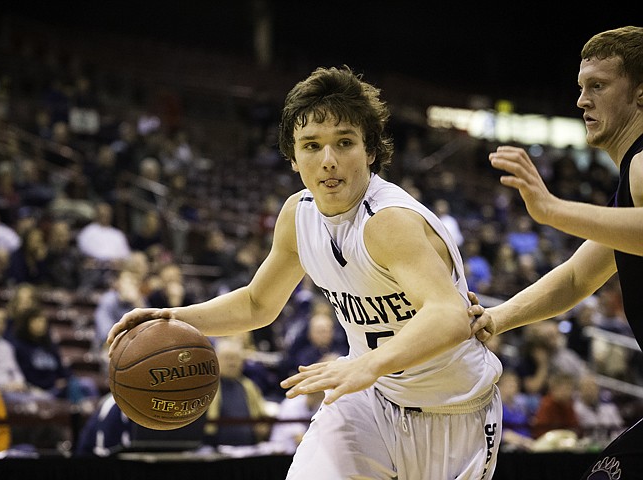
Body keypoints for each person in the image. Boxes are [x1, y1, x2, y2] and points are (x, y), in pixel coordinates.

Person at [109, 65, 503, 479]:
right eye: (312, 145)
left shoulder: (388, 221)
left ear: (370, 151)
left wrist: (367, 364)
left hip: (455, 409)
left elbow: (448, 314)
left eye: (344, 143)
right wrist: (172, 318)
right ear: (293, 158)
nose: (328, 160)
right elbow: (257, 303)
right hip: (368, 399)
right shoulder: (298, 214)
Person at [470, 26, 643, 479]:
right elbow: (575, 279)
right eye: (581, 88)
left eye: (598, 87)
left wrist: (551, 209)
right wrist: (499, 317)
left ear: (641, 95)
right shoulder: (631, 181)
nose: (582, 101)